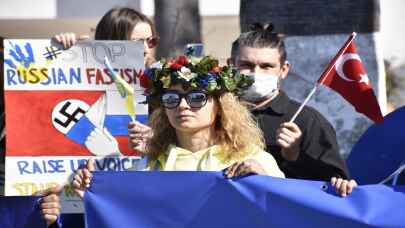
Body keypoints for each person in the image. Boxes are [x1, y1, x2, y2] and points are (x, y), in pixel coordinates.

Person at [72, 55, 285, 197]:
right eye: (172, 98)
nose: (182, 105)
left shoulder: (253, 159)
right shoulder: (149, 166)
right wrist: (92, 193)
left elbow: (286, 212)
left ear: (219, 105)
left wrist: (267, 184)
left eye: (196, 97)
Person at [228, 22, 350, 181]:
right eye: (246, 65)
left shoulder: (307, 121)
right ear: (231, 65)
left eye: (266, 66)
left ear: (283, 70)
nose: (255, 73)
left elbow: (332, 189)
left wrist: (294, 157)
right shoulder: (212, 115)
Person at [54, 7, 159, 66]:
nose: (146, 50)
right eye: (137, 43)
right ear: (112, 41)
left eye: (151, 41)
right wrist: (65, 50)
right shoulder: (87, 71)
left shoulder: (162, 81)